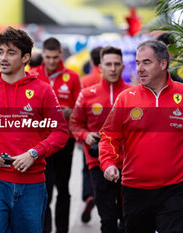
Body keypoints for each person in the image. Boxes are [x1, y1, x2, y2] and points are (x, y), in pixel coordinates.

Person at [0, 26, 69, 233]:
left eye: (11, 53)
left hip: (32, 184)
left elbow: (60, 132)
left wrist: (34, 153)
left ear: (25, 57)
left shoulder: (43, 90)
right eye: (1, 52)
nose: (4, 58)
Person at [99, 40, 183, 233]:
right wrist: (109, 163)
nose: (140, 69)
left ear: (163, 64)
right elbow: (109, 136)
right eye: (138, 63)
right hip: (134, 189)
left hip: (175, 189)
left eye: (146, 62)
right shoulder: (126, 98)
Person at [70, 46, 131, 233]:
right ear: (100, 67)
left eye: (116, 64)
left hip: (129, 165)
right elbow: (74, 124)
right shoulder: (87, 94)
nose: (112, 68)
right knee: (107, 218)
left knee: (128, 217)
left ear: (123, 67)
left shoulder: (133, 93)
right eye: (108, 64)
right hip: (97, 164)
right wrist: (85, 135)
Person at [31, 37, 81, 233]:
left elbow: (81, 107)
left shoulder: (72, 77)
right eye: (48, 57)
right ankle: (45, 229)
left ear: (61, 54)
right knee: (44, 190)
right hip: (40, 141)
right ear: (42, 54)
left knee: (63, 188)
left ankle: (63, 229)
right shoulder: (33, 75)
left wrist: (71, 111)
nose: (51, 61)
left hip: (64, 141)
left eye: (55, 57)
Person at [78, 46, 102, 223]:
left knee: (88, 168)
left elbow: (78, 109)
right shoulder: (114, 80)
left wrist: (81, 134)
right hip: (111, 134)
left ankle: (89, 196)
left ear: (92, 61)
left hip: (90, 133)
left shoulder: (85, 81)